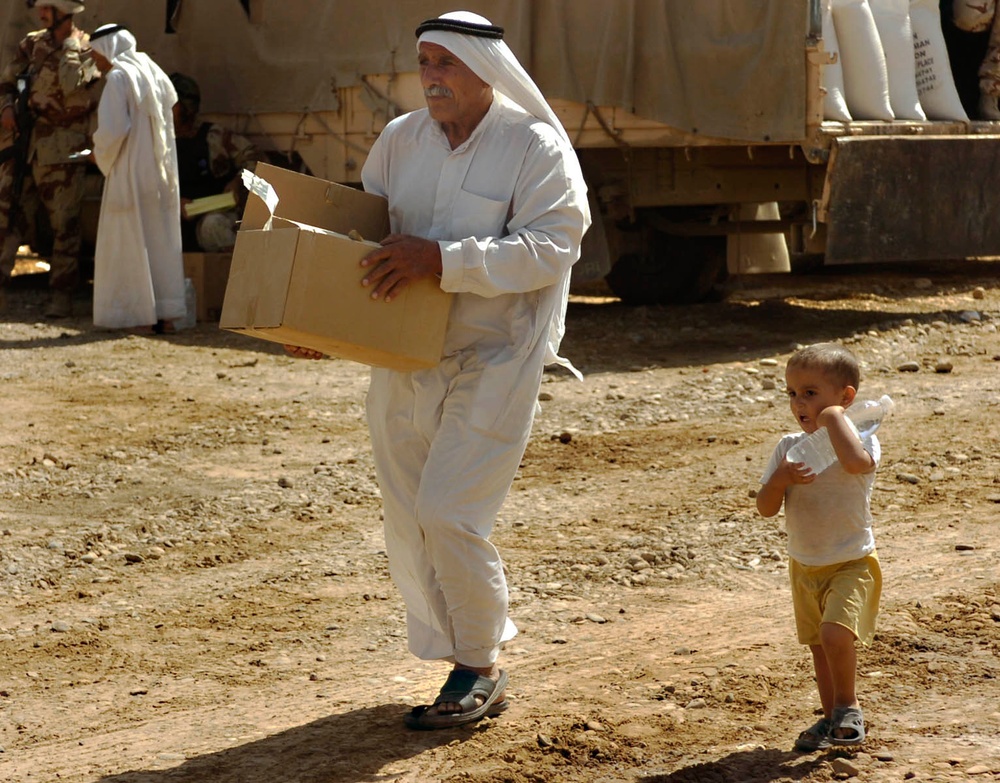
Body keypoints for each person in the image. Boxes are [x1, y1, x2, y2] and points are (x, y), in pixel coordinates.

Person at [285, 10, 590, 729]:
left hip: (495, 356)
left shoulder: (532, 144)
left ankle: (482, 663)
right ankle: (460, 657)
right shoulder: (400, 141)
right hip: (404, 354)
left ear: (484, 69)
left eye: (444, 63)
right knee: (410, 515)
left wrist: (446, 260)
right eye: (423, 63)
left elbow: (554, 246)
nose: (431, 77)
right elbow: (365, 244)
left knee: (449, 510)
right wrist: (320, 326)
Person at [756, 343, 882, 751]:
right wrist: (780, 479)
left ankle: (849, 706)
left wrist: (833, 420)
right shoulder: (788, 448)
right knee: (819, 648)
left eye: (811, 393)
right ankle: (831, 719)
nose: (798, 403)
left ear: (846, 397)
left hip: (852, 561)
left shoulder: (861, 440)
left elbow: (856, 464)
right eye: (792, 393)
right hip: (804, 566)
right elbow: (765, 507)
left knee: (834, 635)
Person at [0, 0, 100, 317]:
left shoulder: (86, 48)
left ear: (63, 11)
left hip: (60, 151)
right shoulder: (31, 43)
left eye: (47, 8)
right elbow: (7, 82)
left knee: (64, 226)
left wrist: (70, 47)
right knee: (7, 218)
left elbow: (78, 90)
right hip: (23, 146)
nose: (41, 14)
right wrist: (6, 108)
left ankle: (61, 296)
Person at [88, 24, 185, 331]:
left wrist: (96, 151)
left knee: (128, 243)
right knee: (159, 243)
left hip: (129, 173)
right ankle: (165, 315)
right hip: (157, 173)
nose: (94, 59)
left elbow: (115, 130)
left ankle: (135, 317)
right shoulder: (153, 72)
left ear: (107, 48)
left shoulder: (118, 77)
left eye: (95, 52)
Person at [169, 72, 257, 253]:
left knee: (213, 226)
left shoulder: (213, 137)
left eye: (171, 104)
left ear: (187, 108)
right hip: (169, 217)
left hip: (211, 214)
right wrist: (173, 203)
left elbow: (253, 158)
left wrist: (238, 182)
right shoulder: (154, 142)